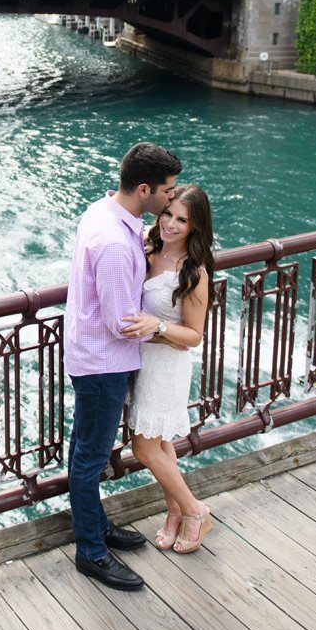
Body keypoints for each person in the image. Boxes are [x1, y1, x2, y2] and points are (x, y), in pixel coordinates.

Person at [64, 142, 182, 591]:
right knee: (90, 457)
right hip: (103, 363)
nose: (172, 199)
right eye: (168, 192)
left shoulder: (106, 211)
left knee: (85, 449)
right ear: (145, 188)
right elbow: (120, 324)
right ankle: (91, 549)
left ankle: (96, 525)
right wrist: (168, 329)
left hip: (91, 355)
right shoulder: (114, 242)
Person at [122, 184, 215, 554]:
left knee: (143, 448)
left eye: (181, 220)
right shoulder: (147, 247)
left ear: (195, 227)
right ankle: (173, 513)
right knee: (160, 443)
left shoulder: (193, 273)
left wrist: (157, 327)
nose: (171, 225)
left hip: (167, 367)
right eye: (167, 214)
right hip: (140, 361)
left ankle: (196, 511)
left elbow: (194, 335)